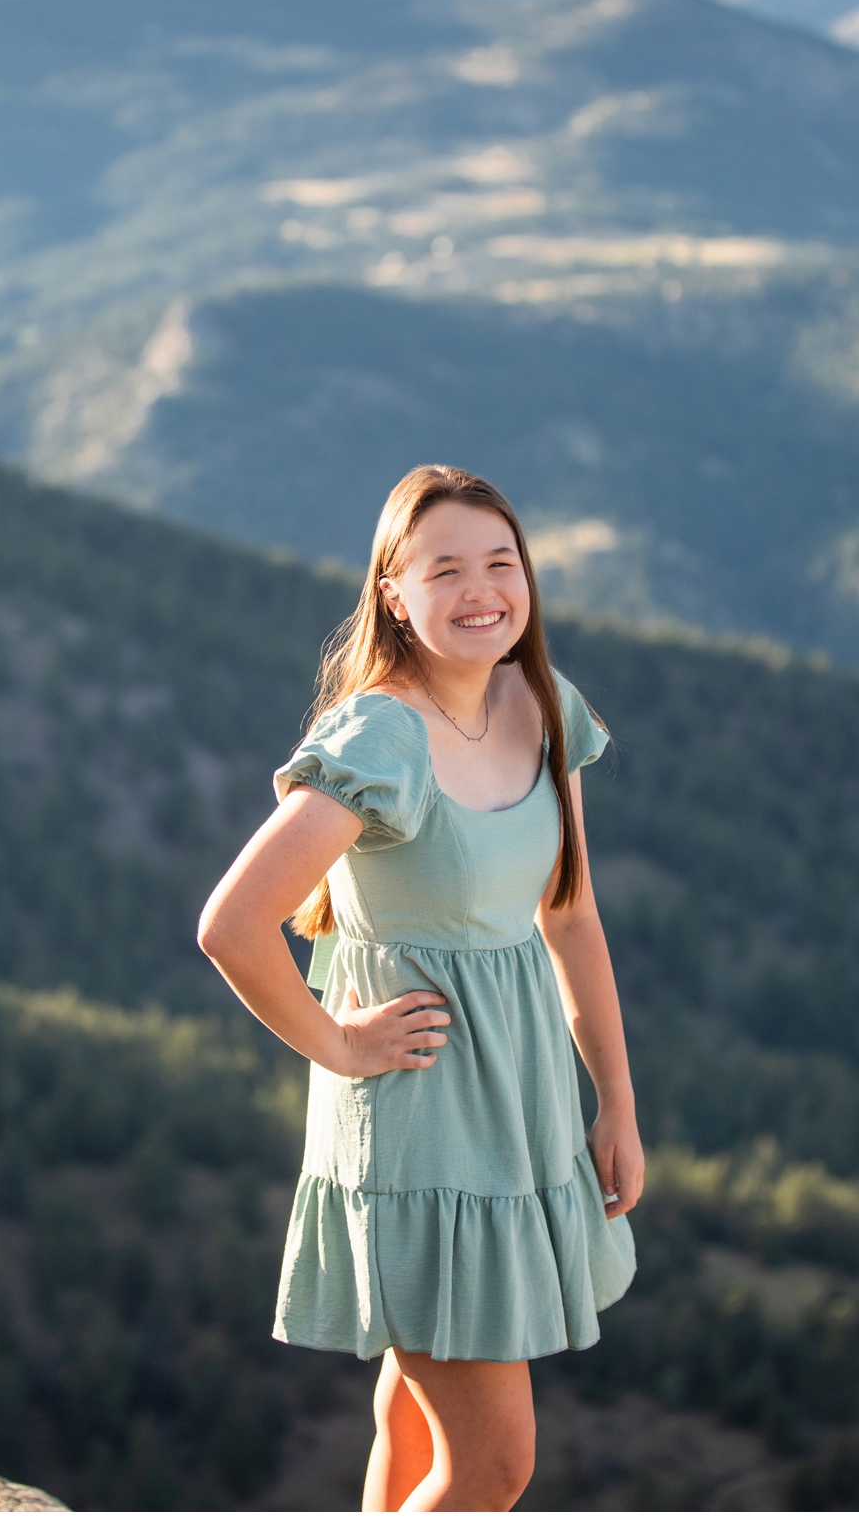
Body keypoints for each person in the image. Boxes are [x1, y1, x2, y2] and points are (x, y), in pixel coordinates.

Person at [197, 465, 642, 1511]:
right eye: (446, 568)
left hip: (519, 1111)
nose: (483, 587)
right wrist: (339, 1043)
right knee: (493, 1466)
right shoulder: (379, 734)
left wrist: (614, 1099)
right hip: (418, 1124)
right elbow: (231, 924)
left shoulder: (542, 705)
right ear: (394, 594)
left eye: (501, 561)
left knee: (410, 1406)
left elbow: (569, 914)